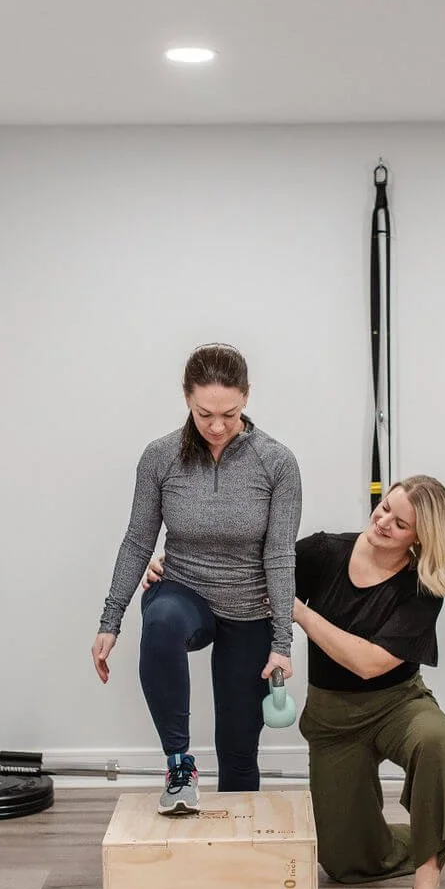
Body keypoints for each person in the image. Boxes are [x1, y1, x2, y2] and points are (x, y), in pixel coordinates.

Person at [92, 344, 301, 815]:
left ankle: (240, 843)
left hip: (248, 609)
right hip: (183, 591)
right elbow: (137, 540)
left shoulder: (277, 463)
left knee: (239, 750)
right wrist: (110, 621)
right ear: (187, 398)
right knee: (163, 619)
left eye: (229, 413)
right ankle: (179, 765)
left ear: (247, 397)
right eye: (205, 413)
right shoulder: (161, 457)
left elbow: (279, 555)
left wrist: (282, 644)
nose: (217, 426)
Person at [294, 476, 445, 889]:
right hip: (333, 720)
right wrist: (171, 569)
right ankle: (443, 831)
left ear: (420, 537)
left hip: (397, 705)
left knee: (438, 741)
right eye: (385, 508)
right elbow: (250, 568)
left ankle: (426, 887)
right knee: (344, 864)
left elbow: (368, 663)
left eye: (400, 523)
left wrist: (300, 612)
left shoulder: (424, 587)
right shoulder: (324, 552)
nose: (383, 522)